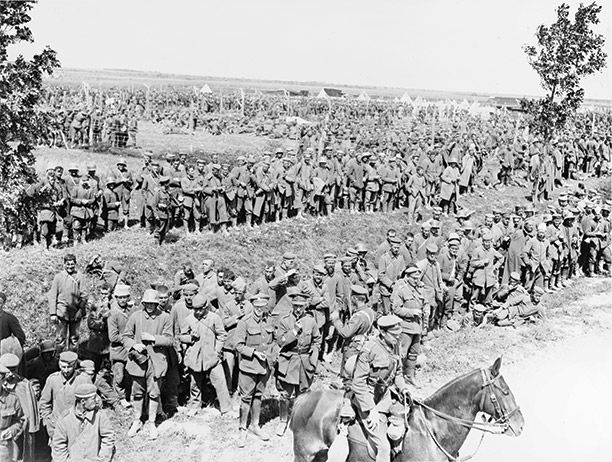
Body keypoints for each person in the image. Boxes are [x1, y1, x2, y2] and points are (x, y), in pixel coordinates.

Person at [350, 315, 411, 462]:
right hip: (368, 398)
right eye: (394, 334)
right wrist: (371, 410)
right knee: (383, 447)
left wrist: (403, 388)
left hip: (385, 396)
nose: (397, 337)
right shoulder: (369, 350)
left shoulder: (394, 345)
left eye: (399, 334)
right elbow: (358, 383)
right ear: (382, 332)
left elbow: (398, 373)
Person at [122, 289, 173, 440]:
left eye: (153, 303)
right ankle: (137, 420)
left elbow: (170, 339)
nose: (150, 306)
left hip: (156, 361)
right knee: (137, 392)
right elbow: (126, 336)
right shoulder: (135, 316)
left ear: (157, 303)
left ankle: (151, 422)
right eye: (147, 303)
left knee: (154, 392)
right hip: (138, 361)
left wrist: (154, 338)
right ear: (143, 303)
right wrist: (133, 345)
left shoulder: (165, 317)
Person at [274, 290, 321, 436]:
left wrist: (313, 357)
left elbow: (317, 340)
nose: (298, 309)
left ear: (306, 306)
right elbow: (279, 341)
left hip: (304, 362)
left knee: (303, 394)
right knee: (285, 394)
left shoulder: (311, 321)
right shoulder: (284, 320)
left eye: (301, 306)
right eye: (296, 306)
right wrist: (293, 331)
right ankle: (283, 421)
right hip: (289, 361)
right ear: (292, 305)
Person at [177, 294, 232, 416]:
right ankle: (195, 406)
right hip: (195, 357)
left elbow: (221, 335)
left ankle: (226, 408)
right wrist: (190, 337)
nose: (197, 312)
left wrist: (217, 351)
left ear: (205, 307)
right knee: (195, 384)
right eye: (195, 309)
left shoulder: (214, 318)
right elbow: (181, 337)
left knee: (220, 382)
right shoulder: (189, 319)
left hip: (212, 357)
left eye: (200, 309)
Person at [234, 294, 275, 447]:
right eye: (256, 307)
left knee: (258, 396)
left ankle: (255, 425)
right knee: (246, 398)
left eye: (262, 307)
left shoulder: (270, 320)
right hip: (248, 367)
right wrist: (254, 352)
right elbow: (237, 345)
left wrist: (271, 354)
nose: (259, 310)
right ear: (252, 306)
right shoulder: (244, 322)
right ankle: (242, 428)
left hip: (264, 367)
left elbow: (273, 340)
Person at [51, 383, 116, 462]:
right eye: (93, 398)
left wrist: (102, 459)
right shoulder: (65, 419)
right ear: (83, 401)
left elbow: (108, 437)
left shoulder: (99, 415)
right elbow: (58, 445)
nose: (97, 401)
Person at [38, 351, 91, 442]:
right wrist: (49, 422)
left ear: (75, 366)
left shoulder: (84, 379)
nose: (66, 370)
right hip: (57, 427)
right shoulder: (52, 380)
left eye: (69, 367)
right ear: (59, 364)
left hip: (78, 427)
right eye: (63, 367)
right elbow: (44, 404)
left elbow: (93, 402)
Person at [0, 353, 39, 462]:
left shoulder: (23, 384)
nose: (11, 374)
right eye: (8, 370)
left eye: (14, 370)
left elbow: (29, 413)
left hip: (18, 432)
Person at [391, 265, 426, 385]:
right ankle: (396, 377)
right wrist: (411, 312)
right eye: (414, 278)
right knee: (401, 353)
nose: (416, 280)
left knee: (414, 353)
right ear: (407, 278)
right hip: (406, 326)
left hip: (417, 326)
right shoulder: (401, 290)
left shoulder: (420, 289)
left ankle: (410, 376)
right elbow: (395, 309)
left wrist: (426, 311)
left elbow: (424, 303)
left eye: (418, 278)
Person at [48, 254, 88, 350]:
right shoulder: (58, 277)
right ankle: (59, 360)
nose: (70, 266)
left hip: (75, 313)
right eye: (68, 264)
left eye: (72, 264)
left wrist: (81, 310)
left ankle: (72, 360)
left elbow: (84, 295)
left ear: (75, 264)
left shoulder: (80, 277)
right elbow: (52, 295)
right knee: (60, 339)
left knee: (74, 339)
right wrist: (53, 313)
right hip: (62, 313)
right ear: (64, 264)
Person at [0, 364, 25, 462]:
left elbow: (20, 420)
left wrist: (11, 430)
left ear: (3, 380)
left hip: (4, 449)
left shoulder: (12, 399)